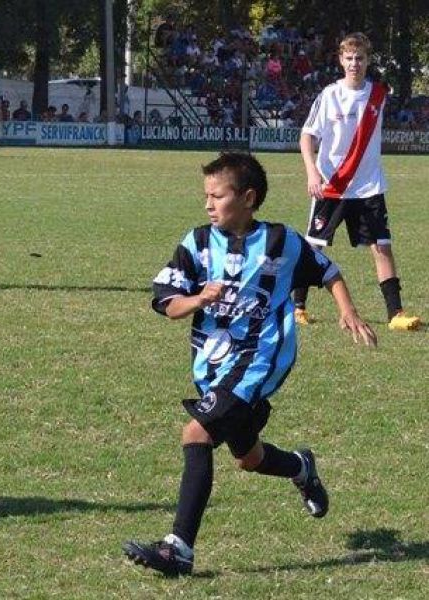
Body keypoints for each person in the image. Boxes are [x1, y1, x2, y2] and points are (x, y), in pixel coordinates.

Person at [123, 152, 377, 577]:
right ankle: (301, 467)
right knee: (248, 457)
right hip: (214, 366)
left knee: (196, 433)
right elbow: (167, 304)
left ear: (248, 198)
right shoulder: (197, 243)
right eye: (205, 195)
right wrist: (199, 299)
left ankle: (178, 548)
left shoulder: (281, 242)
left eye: (217, 196)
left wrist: (346, 311)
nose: (208, 204)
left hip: (261, 359)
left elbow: (328, 271)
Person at [293, 32, 422, 331]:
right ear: (340, 60)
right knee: (314, 248)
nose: (354, 63)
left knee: (382, 248)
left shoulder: (378, 94)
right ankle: (298, 307)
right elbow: (306, 136)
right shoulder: (329, 95)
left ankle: (396, 314)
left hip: (369, 187)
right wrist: (312, 172)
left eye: (360, 58)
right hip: (332, 185)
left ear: (368, 60)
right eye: (349, 58)